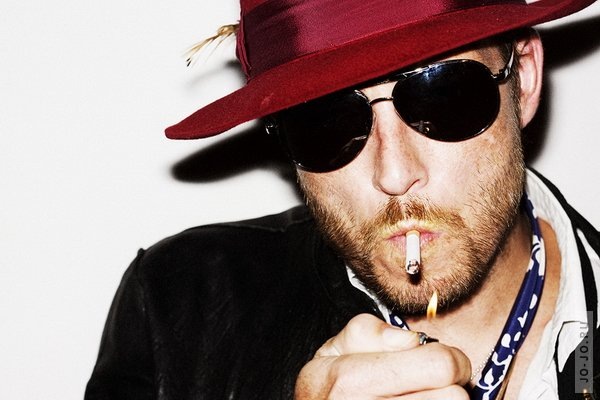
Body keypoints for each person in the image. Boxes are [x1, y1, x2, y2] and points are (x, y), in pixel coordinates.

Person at [85, 0, 600, 399]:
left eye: (443, 95)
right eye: (327, 121)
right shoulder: (178, 307)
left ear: (523, 78)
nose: (394, 174)